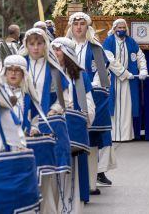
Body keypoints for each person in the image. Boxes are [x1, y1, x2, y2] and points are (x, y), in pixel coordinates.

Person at [66, 12, 126, 194]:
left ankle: (93, 178)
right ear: (70, 26)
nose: (78, 27)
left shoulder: (96, 48)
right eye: (75, 24)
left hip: (91, 96)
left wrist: (89, 90)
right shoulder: (63, 47)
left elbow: (102, 76)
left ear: (87, 26)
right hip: (69, 96)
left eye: (82, 24)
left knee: (93, 139)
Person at [20, 27, 69, 214]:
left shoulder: (52, 67)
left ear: (45, 44)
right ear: (26, 45)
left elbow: (64, 94)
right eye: (31, 44)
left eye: (39, 43)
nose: (35, 47)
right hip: (23, 124)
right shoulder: (19, 65)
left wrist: (54, 109)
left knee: (47, 174)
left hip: (46, 123)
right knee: (27, 173)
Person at [52, 37, 96, 213]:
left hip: (72, 130)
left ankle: (72, 208)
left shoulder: (79, 75)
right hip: (54, 128)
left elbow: (88, 102)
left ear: (67, 53)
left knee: (72, 173)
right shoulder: (49, 73)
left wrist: (84, 117)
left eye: (58, 50)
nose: (55, 53)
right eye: (53, 50)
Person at [103, 19, 148, 143]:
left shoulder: (131, 41)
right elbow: (110, 60)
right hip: (113, 80)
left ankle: (126, 135)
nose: (121, 30)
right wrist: (125, 73)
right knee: (114, 108)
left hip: (128, 82)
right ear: (114, 28)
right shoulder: (109, 41)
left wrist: (143, 70)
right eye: (119, 28)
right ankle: (114, 136)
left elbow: (140, 56)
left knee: (127, 107)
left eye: (123, 27)